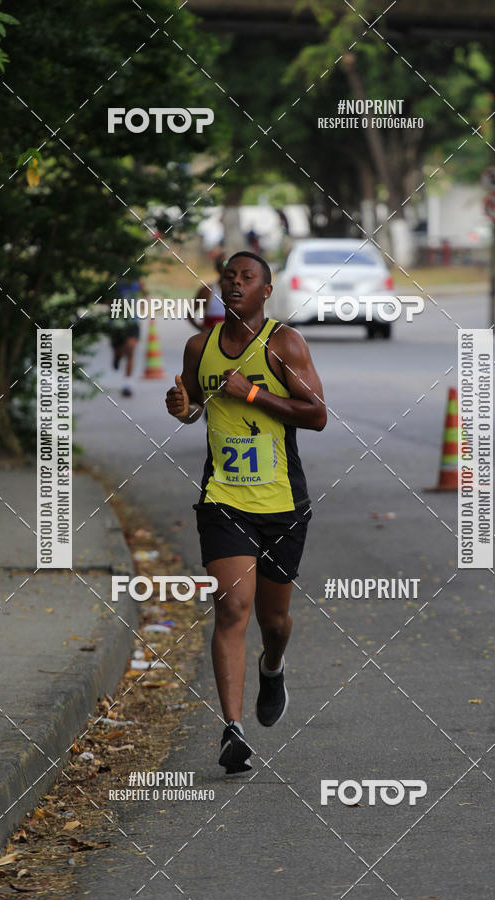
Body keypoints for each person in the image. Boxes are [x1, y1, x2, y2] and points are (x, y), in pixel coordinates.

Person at [165, 251, 326, 773]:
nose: (235, 284)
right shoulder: (200, 345)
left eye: (247, 278)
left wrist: (252, 391)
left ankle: (273, 665)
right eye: (229, 277)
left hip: (281, 503)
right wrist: (182, 408)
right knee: (232, 608)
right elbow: (193, 408)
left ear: (266, 289)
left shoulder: (284, 344)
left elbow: (317, 415)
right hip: (223, 499)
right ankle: (232, 731)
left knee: (273, 620)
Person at [109, 278, 143, 396]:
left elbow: (144, 293)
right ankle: (117, 357)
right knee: (119, 350)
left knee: (130, 349)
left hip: (132, 322)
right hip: (116, 323)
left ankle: (127, 384)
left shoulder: (136, 280)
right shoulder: (114, 280)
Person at [190, 251, 226, 333]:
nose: (225, 266)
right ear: (217, 267)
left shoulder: (242, 291)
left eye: (228, 263)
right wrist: (201, 329)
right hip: (210, 342)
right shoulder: (207, 290)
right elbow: (190, 313)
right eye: (222, 264)